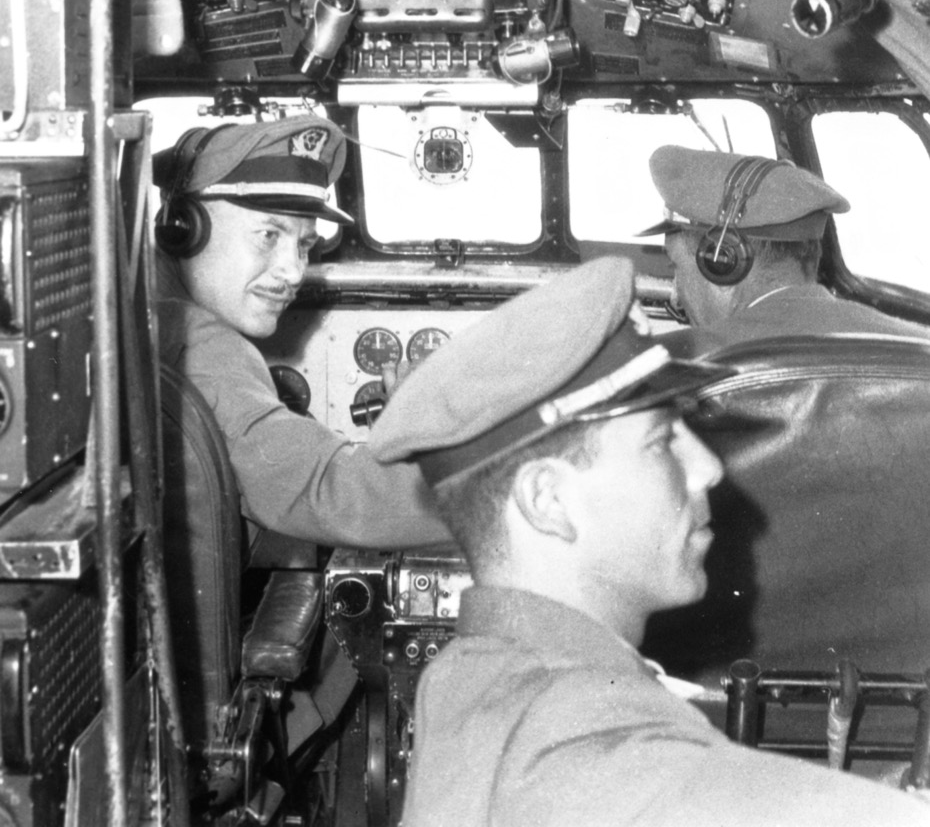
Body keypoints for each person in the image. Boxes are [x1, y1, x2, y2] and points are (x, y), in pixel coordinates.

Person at [368, 258, 930, 827]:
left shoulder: (461, 675)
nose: (709, 467)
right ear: (550, 502)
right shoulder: (610, 767)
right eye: (662, 441)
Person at [154, 114, 448, 550]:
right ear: (183, 229)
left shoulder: (152, 314)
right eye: (268, 235)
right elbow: (342, 499)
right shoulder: (202, 346)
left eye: (304, 244)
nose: (293, 271)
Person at [643, 144, 930, 349]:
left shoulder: (679, 368)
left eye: (676, 267)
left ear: (723, 261)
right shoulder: (917, 345)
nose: (675, 299)